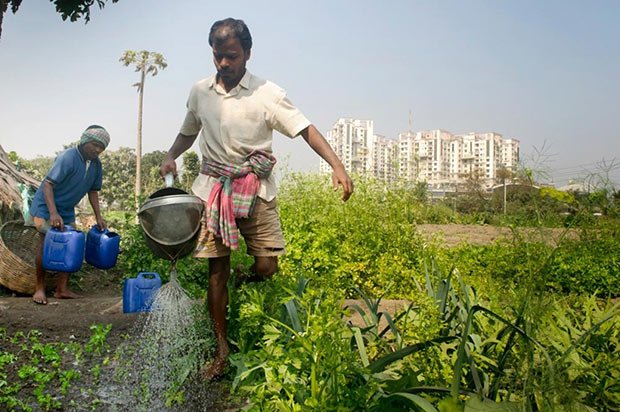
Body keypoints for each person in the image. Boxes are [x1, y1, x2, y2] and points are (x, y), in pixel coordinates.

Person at [159, 18, 353, 380]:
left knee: (267, 266)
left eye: (231, 56)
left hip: (256, 189)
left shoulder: (268, 93)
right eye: (218, 56)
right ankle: (220, 351)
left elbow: (305, 129)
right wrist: (172, 153)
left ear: (247, 53)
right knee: (217, 271)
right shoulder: (200, 92)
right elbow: (188, 131)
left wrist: (337, 166)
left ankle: (243, 281)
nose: (224, 64)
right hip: (213, 190)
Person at [26, 125, 109, 305]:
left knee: (73, 243)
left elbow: (93, 191)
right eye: (94, 144)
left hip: (66, 208)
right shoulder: (68, 157)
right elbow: (48, 185)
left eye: (101, 147)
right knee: (46, 240)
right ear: (85, 141)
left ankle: (61, 289)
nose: (97, 150)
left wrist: (98, 216)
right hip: (46, 205)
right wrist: (53, 213)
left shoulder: (96, 165)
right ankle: (39, 288)